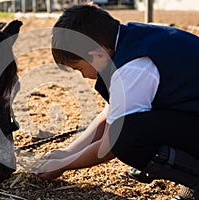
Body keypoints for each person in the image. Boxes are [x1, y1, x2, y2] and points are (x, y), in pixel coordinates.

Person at [32, 4, 199, 199]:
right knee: (130, 125)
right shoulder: (128, 40)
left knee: (127, 138)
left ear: (96, 55)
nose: (84, 76)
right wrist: (66, 152)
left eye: (79, 68)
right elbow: (109, 114)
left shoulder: (132, 68)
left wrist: (65, 164)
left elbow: (109, 145)